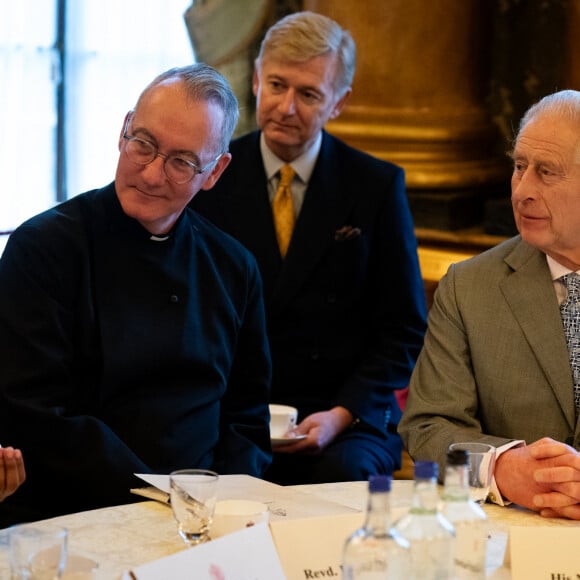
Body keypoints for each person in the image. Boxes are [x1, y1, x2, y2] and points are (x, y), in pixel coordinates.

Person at [0, 63, 272, 526]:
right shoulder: (43, 248)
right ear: (124, 130)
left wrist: (229, 503)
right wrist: (157, 496)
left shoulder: (234, 266)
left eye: (181, 162)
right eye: (143, 144)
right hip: (71, 509)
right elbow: (31, 413)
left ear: (215, 171)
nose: (150, 174)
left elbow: (246, 415)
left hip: (207, 512)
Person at [191, 11, 427, 485]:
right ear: (256, 79)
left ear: (339, 101)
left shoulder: (376, 186)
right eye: (277, 85)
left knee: (345, 479)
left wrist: (342, 414)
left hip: (344, 418)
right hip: (233, 412)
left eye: (309, 94)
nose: (287, 107)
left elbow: (403, 328)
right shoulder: (210, 177)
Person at [399, 89, 580, 520]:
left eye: (546, 172)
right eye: (519, 167)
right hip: (514, 533)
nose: (522, 191)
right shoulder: (469, 287)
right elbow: (427, 427)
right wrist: (499, 467)